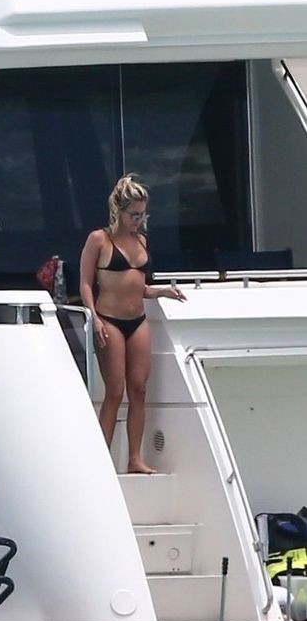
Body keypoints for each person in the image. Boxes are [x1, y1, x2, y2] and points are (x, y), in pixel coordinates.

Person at [79, 175, 185, 474]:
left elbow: (138, 286)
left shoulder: (141, 240)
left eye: (142, 215)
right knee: (115, 391)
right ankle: (100, 462)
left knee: (138, 389)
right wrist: (93, 317)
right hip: (108, 320)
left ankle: (135, 458)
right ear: (119, 211)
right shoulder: (99, 239)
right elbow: (85, 283)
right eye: (134, 215)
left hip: (137, 320)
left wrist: (161, 292)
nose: (138, 221)